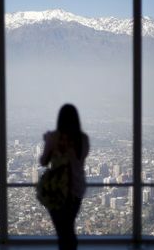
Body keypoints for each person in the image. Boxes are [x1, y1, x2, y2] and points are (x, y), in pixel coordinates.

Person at [40, 104, 90, 250]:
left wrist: (48, 142)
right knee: (68, 228)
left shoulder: (55, 137)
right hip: (77, 189)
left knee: (63, 231)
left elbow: (44, 161)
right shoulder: (83, 139)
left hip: (58, 190)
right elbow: (81, 159)